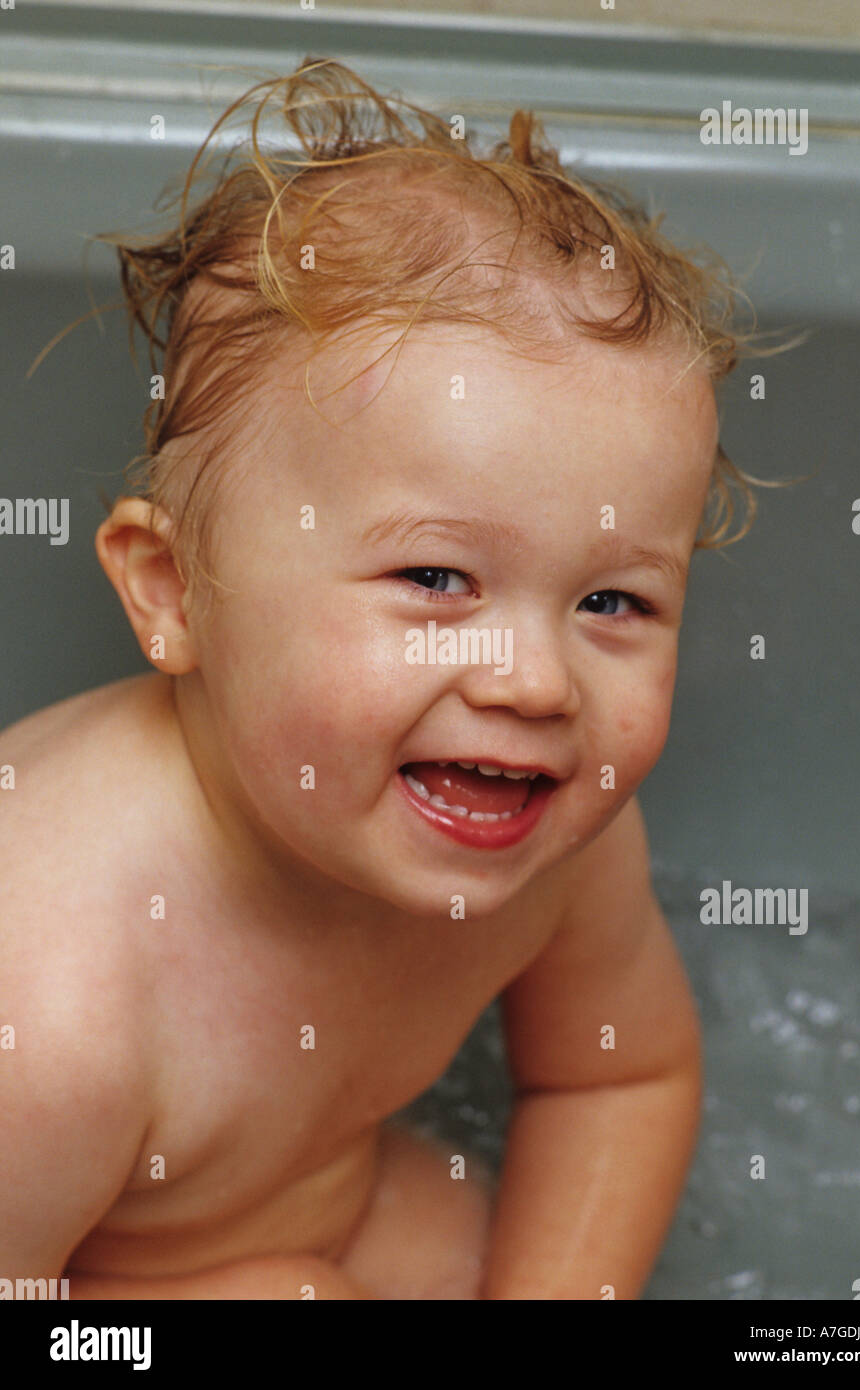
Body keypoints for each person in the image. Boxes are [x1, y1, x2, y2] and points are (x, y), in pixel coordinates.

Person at [0, 56, 786, 1299]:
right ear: (170, 589)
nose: (535, 683)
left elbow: (615, 1076)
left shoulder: (561, 837)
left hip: (322, 1201)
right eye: (434, 580)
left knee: (483, 1243)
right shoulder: (48, 996)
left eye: (610, 601)